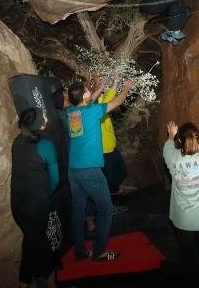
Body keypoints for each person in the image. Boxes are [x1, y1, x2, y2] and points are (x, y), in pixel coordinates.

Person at [64, 77, 134, 261]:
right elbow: (117, 101)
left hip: (73, 170)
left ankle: (80, 252)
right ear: (85, 95)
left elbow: (87, 102)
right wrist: (126, 88)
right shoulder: (92, 111)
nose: (90, 92)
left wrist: (99, 88)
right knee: (106, 209)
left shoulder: (71, 112)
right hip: (90, 171)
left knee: (78, 211)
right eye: (88, 90)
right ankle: (100, 252)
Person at [163, 101, 199, 288]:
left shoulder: (171, 157)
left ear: (178, 141)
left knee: (187, 256)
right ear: (198, 139)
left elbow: (168, 146)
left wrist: (171, 135)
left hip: (183, 219)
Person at [10, 107, 60, 288]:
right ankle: (24, 281)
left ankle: (40, 274)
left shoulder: (17, 141)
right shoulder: (45, 144)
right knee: (32, 242)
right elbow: (55, 178)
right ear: (41, 123)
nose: (46, 117)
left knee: (36, 238)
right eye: (43, 116)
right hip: (35, 204)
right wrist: (46, 195)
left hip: (17, 203)